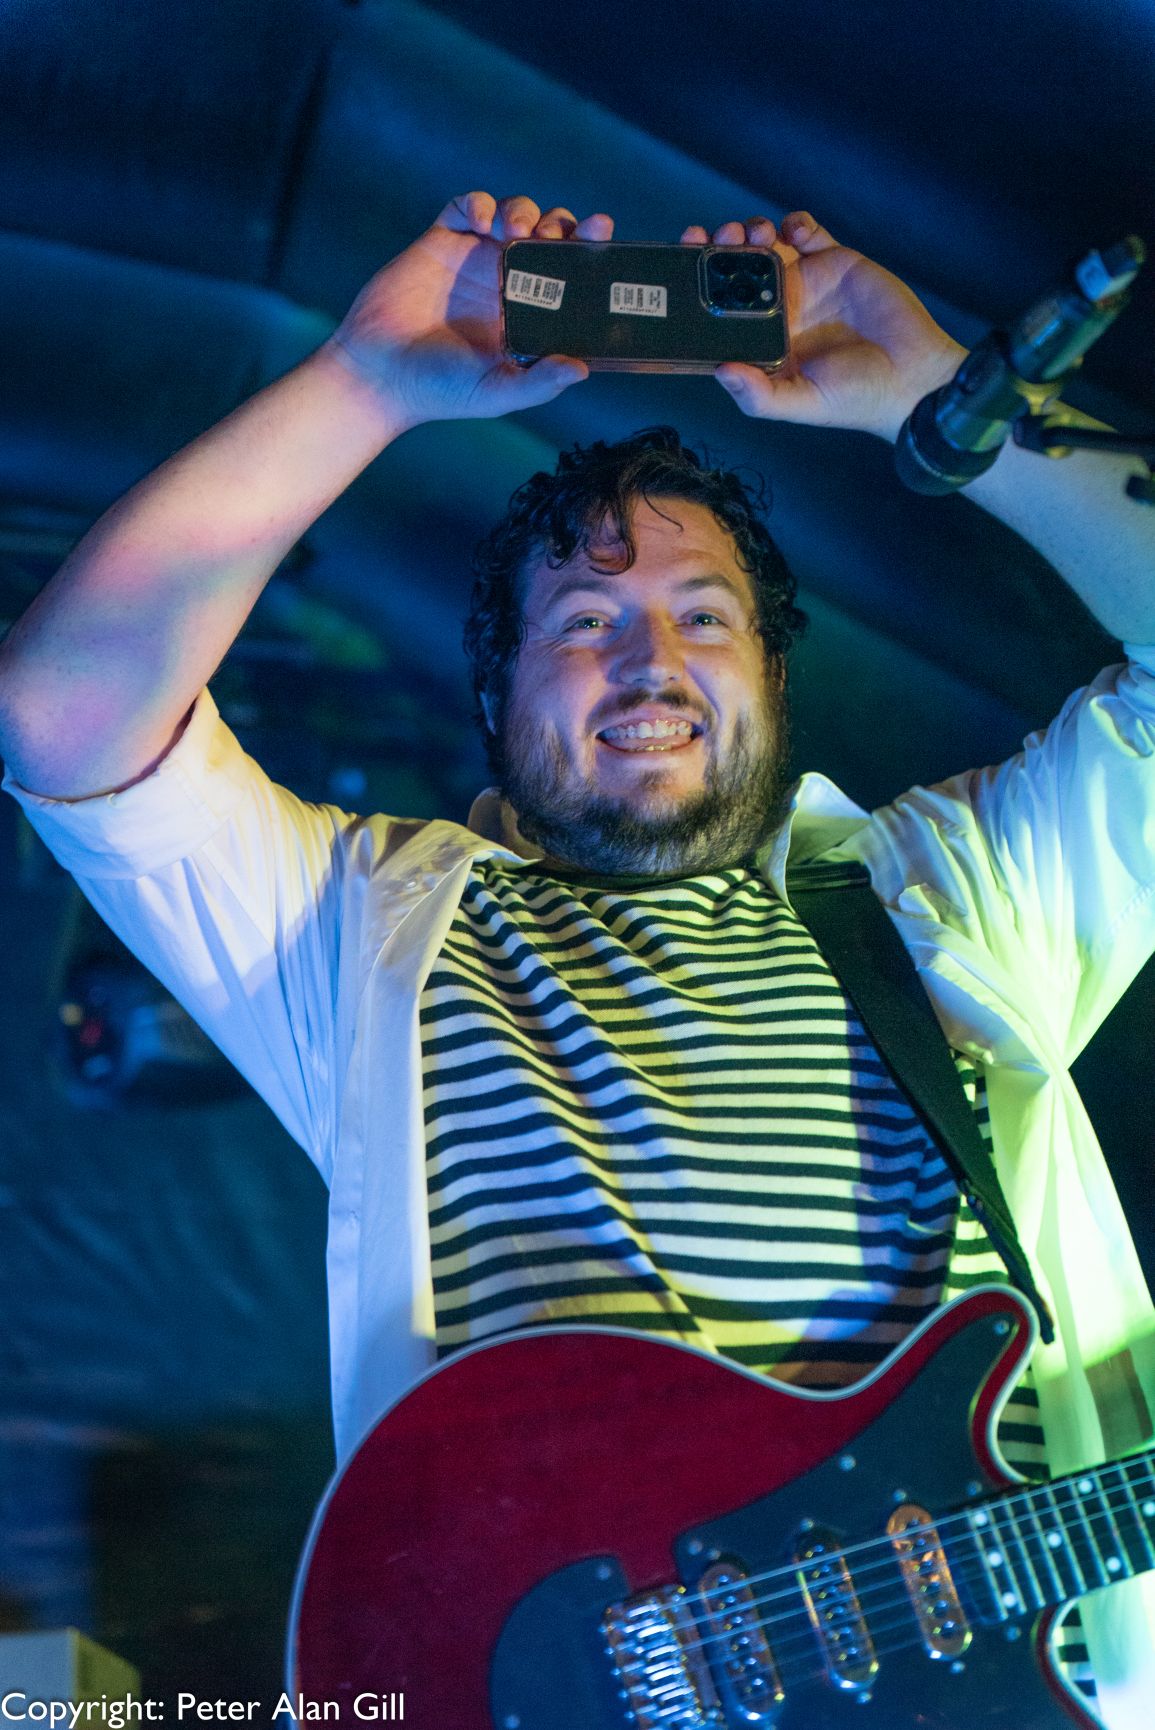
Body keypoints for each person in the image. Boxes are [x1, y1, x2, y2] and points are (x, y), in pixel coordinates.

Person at [1, 192, 1153, 1720]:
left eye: (703, 619)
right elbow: (65, 714)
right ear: (498, 700)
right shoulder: (371, 926)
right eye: (587, 622)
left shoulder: (955, 892)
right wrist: (368, 376)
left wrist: (943, 400)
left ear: (773, 678)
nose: (650, 662)